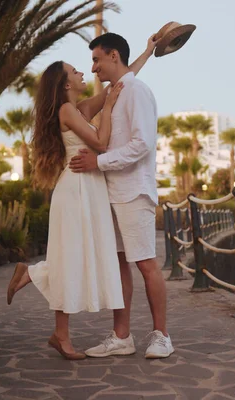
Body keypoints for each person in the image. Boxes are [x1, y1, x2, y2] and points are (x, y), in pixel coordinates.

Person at [6, 36, 158, 360]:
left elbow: (122, 79)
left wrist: (148, 51)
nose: (83, 72)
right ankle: (56, 323)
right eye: (75, 71)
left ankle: (46, 303)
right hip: (75, 190)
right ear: (64, 84)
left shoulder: (77, 108)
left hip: (86, 189)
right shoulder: (67, 110)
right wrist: (111, 107)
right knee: (71, 257)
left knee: (73, 258)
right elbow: (102, 142)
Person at [68, 33, 174, 359]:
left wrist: (97, 162)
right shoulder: (116, 91)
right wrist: (148, 50)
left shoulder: (137, 91)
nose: (93, 67)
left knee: (146, 264)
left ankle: (162, 336)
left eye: (97, 59)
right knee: (119, 267)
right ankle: (122, 336)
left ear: (114, 56)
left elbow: (142, 144)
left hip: (133, 192)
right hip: (111, 193)